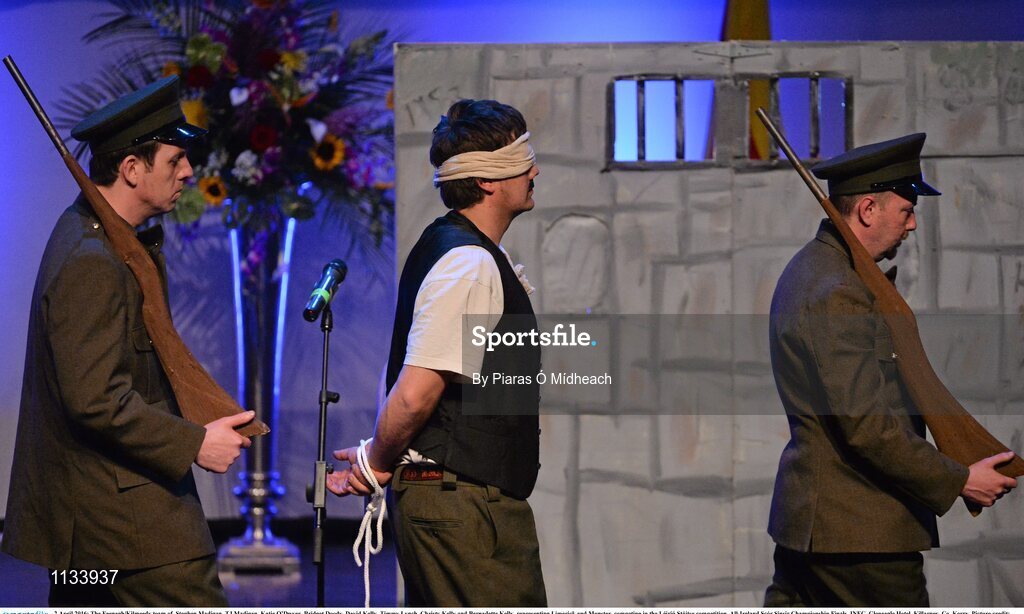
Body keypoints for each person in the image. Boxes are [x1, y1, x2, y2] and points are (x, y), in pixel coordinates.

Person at [1, 75, 253, 607]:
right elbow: (95, 399)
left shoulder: (101, 239)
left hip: (101, 526)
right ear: (132, 169)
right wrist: (195, 443)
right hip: (129, 530)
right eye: (174, 160)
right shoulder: (91, 261)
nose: (188, 171)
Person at [763, 133, 1018, 607]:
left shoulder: (817, 271)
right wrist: (959, 479)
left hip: (823, 528)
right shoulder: (836, 289)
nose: (913, 225)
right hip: (861, 536)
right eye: (906, 210)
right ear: (867, 210)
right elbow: (867, 425)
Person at [327, 99, 546, 606]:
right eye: (521, 159)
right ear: (488, 180)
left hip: (464, 502)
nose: (534, 169)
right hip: (463, 507)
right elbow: (416, 393)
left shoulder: (458, 249)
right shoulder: (468, 262)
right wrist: (376, 461)